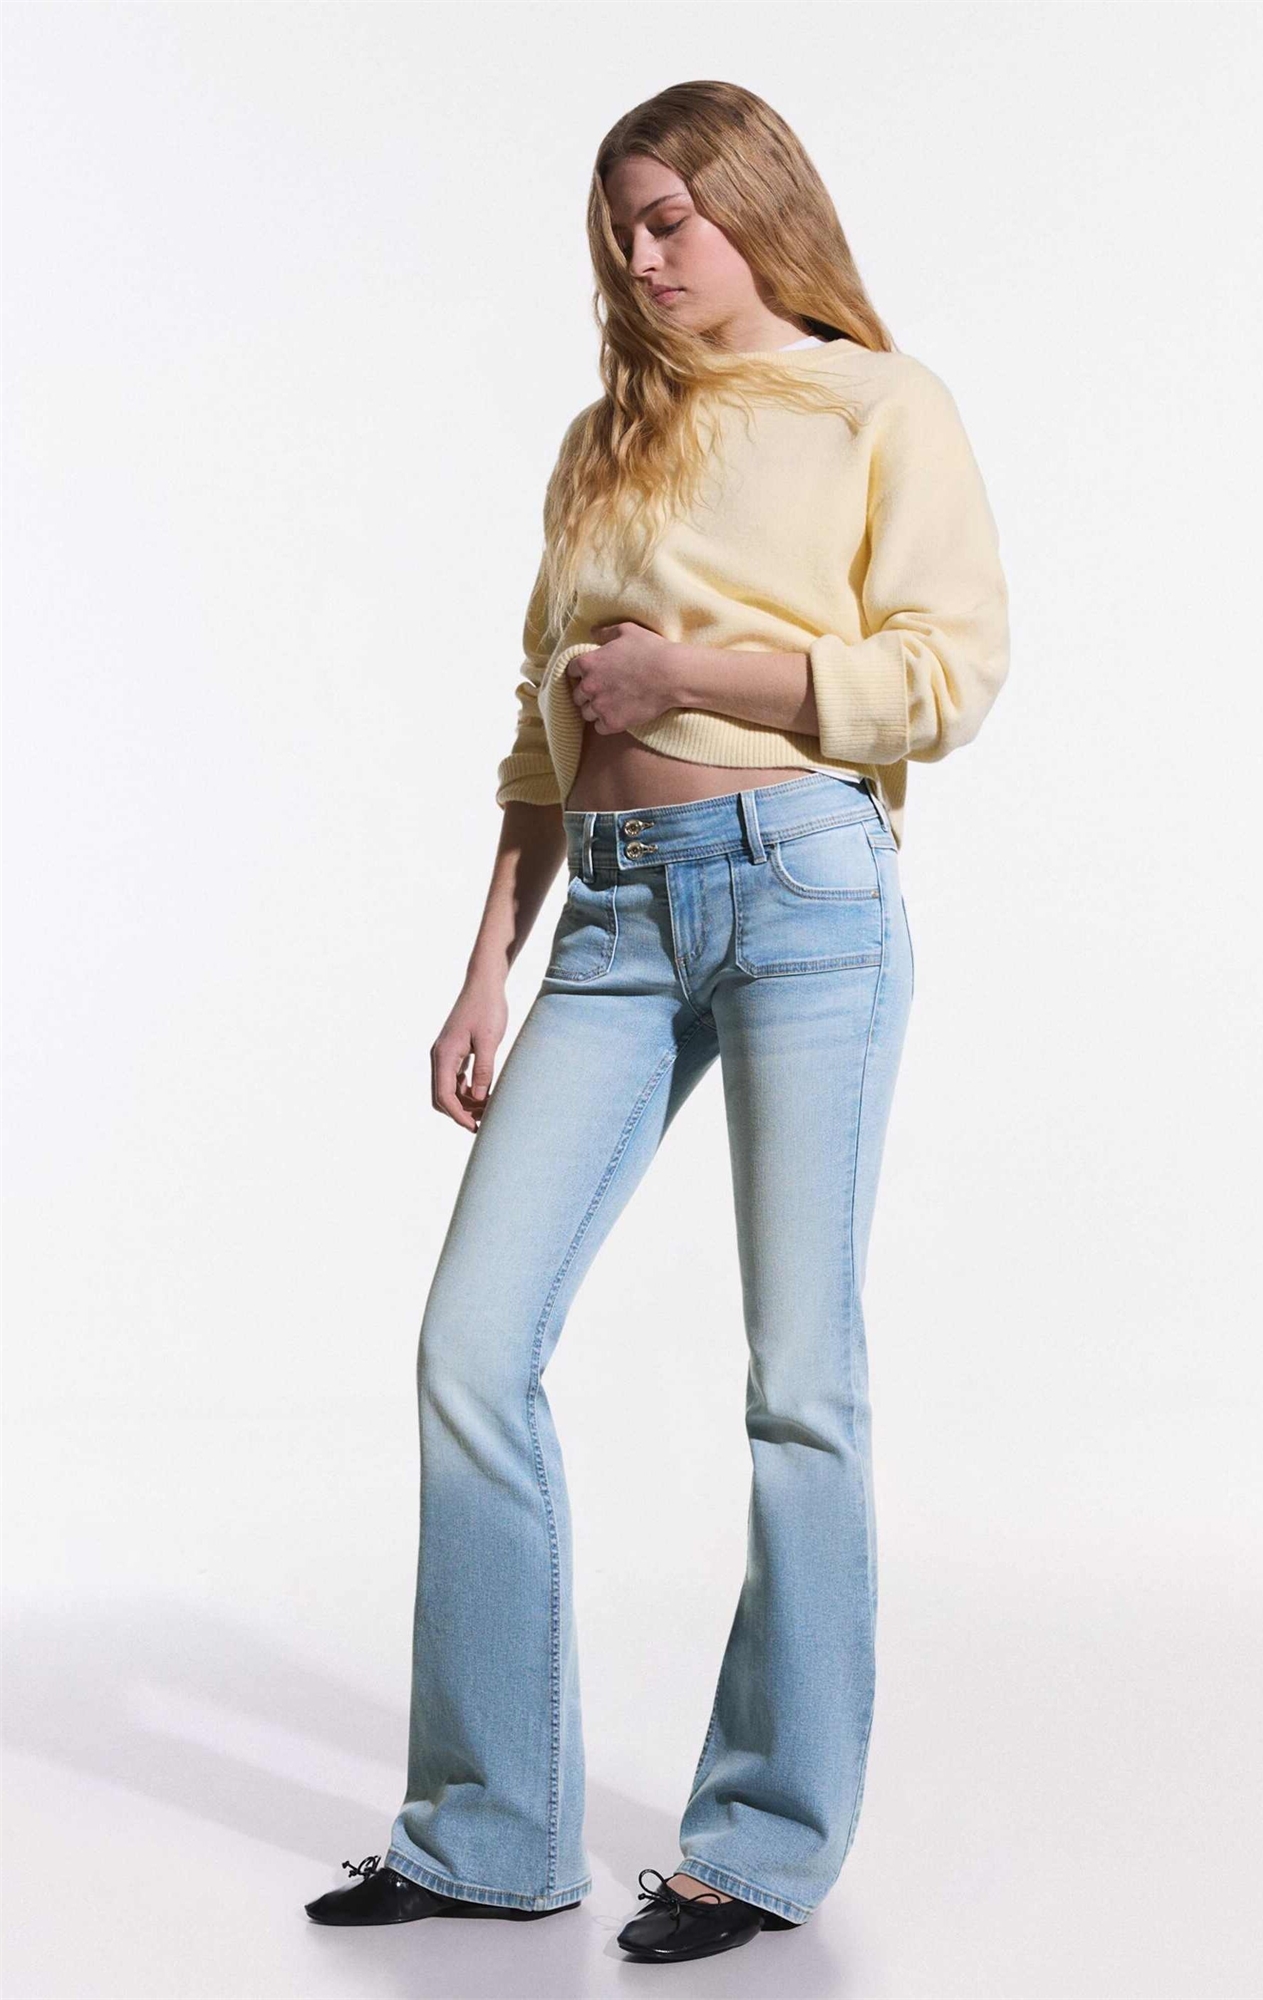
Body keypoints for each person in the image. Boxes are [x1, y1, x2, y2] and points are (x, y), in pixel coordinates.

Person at [305, 78, 1009, 1965]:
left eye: (671, 215)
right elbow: (542, 723)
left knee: (801, 1379)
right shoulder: (604, 439)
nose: (640, 253)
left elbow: (946, 677)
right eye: (619, 225)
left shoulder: (880, 406)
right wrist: (489, 960)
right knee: (473, 1345)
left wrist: (694, 668)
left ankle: (759, 1847)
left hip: (802, 895)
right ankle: (486, 1832)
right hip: (609, 921)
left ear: (756, 204)